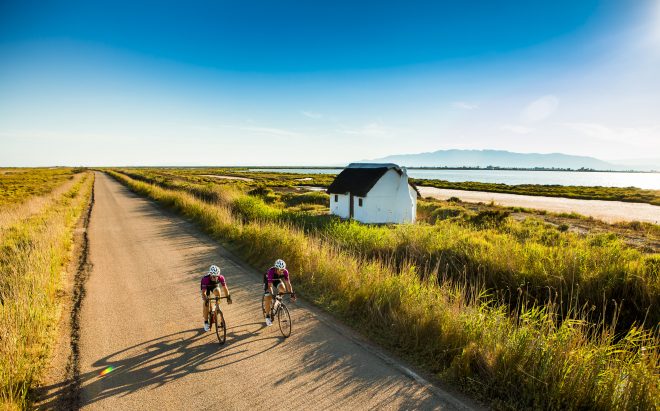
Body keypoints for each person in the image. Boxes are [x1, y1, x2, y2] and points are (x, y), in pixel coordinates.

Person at [263, 258, 296, 326]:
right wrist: (272, 295)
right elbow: (270, 286)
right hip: (268, 280)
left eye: (283, 270)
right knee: (268, 297)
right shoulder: (271, 272)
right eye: (280, 270)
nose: (282, 271)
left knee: (283, 289)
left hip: (277, 279)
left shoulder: (285, 272)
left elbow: (288, 283)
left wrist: (291, 294)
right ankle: (267, 316)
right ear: (276, 269)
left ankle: (277, 301)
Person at [200, 264, 232, 331]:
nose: (215, 278)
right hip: (206, 288)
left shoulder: (221, 277)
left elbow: (225, 288)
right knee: (206, 303)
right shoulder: (205, 279)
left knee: (218, 292)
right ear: (210, 275)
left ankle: (217, 308)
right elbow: (204, 293)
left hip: (214, 286)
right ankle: (206, 322)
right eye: (214, 277)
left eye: (217, 276)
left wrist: (228, 297)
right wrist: (206, 299)